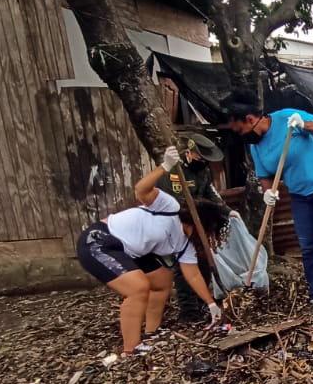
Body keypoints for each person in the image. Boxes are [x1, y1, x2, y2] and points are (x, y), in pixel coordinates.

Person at [76, 147, 229, 355]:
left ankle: (151, 333)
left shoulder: (185, 244)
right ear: (198, 222)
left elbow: (192, 274)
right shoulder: (170, 207)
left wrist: (211, 303)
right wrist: (164, 167)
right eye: (207, 231)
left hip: (132, 251)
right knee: (138, 288)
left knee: (162, 281)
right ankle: (131, 348)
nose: (207, 238)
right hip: (100, 241)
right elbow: (141, 190)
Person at [223, 91, 313, 313]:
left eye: (239, 130)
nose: (240, 135)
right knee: (307, 246)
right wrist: (268, 193)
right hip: (300, 195)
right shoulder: (255, 146)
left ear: (250, 120)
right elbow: (265, 175)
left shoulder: (287, 118)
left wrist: (303, 124)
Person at [155, 133, 236, 323]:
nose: (204, 162)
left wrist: (226, 210)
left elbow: (211, 194)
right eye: (201, 158)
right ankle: (188, 310)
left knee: (204, 261)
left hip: (199, 226)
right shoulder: (172, 172)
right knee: (182, 267)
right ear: (190, 153)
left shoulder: (203, 171)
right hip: (177, 226)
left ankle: (203, 302)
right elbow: (169, 202)